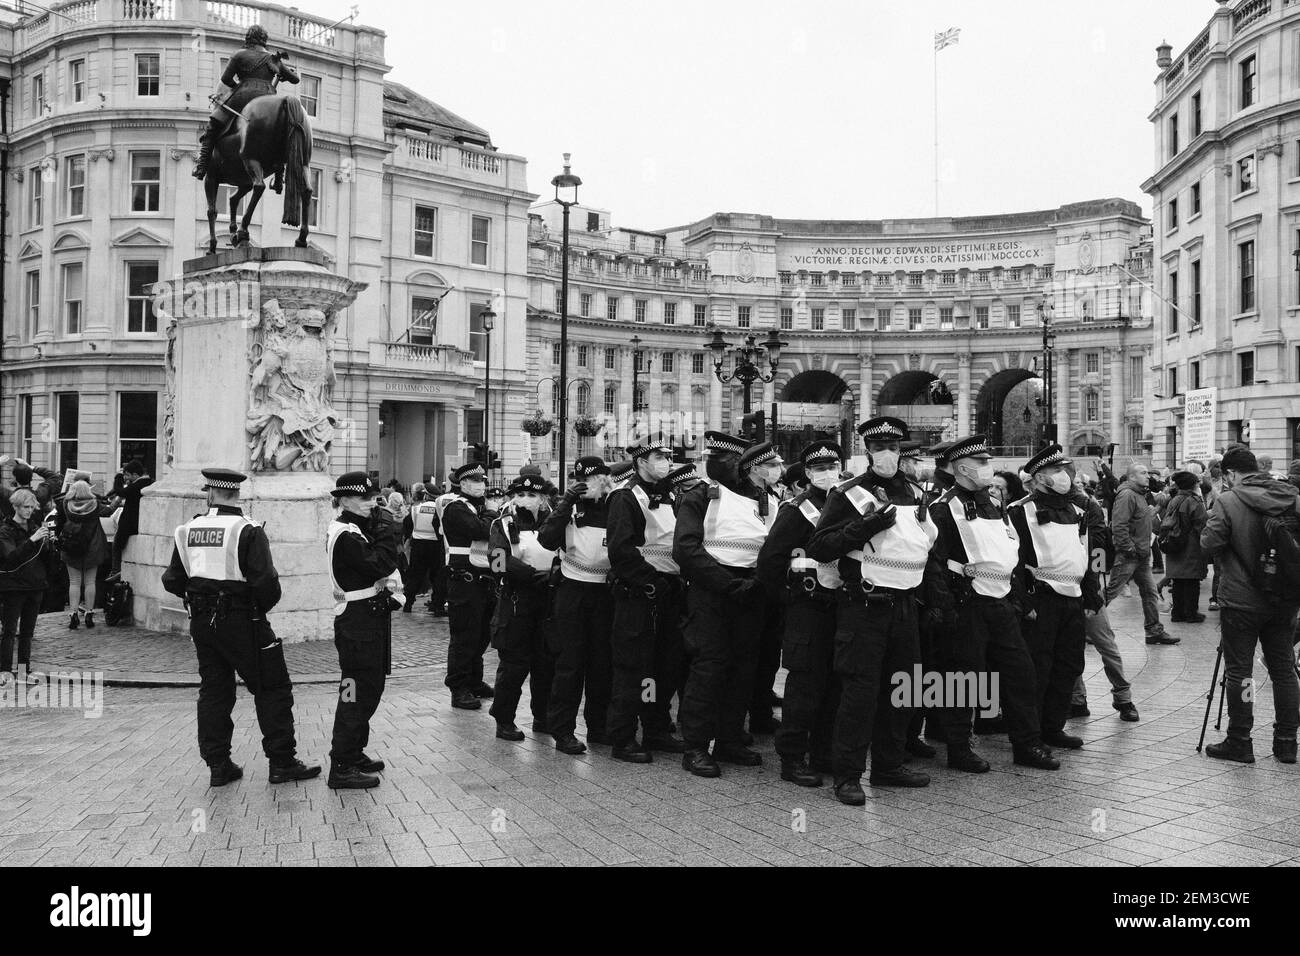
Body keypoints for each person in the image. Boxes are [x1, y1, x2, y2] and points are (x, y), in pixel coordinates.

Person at [160, 468, 319, 788]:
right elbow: (267, 584)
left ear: (210, 493)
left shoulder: (188, 529)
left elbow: (172, 580)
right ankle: (281, 762)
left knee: (215, 692)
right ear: (237, 494)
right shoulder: (247, 530)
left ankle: (218, 765)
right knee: (272, 687)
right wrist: (254, 610)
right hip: (243, 621)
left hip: (202, 622)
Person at [807, 419, 935, 804]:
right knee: (859, 694)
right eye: (880, 446)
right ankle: (847, 775)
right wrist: (865, 527)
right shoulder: (848, 493)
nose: (889, 454)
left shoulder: (914, 492)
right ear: (867, 450)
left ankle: (888, 766)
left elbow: (924, 545)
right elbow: (821, 546)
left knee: (902, 690)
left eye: (895, 446)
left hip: (905, 605)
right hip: (864, 606)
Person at [928, 435, 1059, 772]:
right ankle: (959, 747)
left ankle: (1027, 744)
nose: (988, 467)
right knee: (962, 680)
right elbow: (935, 563)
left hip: (1000, 604)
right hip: (967, 604)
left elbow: (1007, 553)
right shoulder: (943, 508)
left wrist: (1017, 598)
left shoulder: (994, 504)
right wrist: (946, 608)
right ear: (961, 468)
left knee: (1020, 674)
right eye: (982, 462)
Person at [674, 433, 779, 778]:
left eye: (729, 460)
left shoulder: (764, 499)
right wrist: (728, 585)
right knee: (710, 667)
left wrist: (758, 585)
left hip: (750, 590)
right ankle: (696, 746)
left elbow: (772, 548)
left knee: (743, 667)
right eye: (713, 458)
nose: (717, 465)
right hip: (713, 590)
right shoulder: (700, 495)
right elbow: (686, 550)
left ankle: (731, 737)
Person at [1200, 445, 1300, 764]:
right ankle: (1287, 741)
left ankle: (1240, 738)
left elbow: (1209, 543)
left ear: (1230, 474)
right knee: (1284, 670)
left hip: (1242, 600)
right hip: (1285, 598)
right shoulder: (1291, 496)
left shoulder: (1229, 501)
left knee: (1241, 672)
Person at [758, 441, 845, 788]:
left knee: (835, 685)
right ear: (807, 474)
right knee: (805, 687)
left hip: (839, 606)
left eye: (832, 466)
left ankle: (823, 752)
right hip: (806, 607)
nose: (827, 473)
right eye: (819, 468)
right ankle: (792, 758)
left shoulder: (846, 503)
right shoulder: (796, 510)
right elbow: (770, 563)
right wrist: (789, 599)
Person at [1007, 445, 1104, 754]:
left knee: (1068, 665)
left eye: (1065, 470)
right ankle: (1030, 734)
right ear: (1038, 478)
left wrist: (1091, 593)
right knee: (1038, 668)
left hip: (1072, 599)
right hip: (1041, 599)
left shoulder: (1079, 510)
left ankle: (1053, 727)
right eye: (1054, 471)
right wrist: (1025, 603)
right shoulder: (1019, 510)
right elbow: (1013, 562)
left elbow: (1084, 553)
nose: (1063, 476)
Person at [605, 436, 689, 763]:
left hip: (669, 590)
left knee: (662, 666)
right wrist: (651, 581)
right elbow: (620, 550)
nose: (666, 461)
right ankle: (623, 737)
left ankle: (654, 727)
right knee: (633, 667)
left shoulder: (670, 494)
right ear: (641, 461)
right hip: (641, 592)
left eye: (668, 455)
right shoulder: (626, 496)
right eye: (659, 455)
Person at [324, 471, 403, 788]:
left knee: (367, 689)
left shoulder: (353, 528)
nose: (372, 503)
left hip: (367, 618)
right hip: (357, 622)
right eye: (364, 498)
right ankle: (341, 764)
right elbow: (380, 564)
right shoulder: (346, 535)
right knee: (354, 693)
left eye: (373, 497)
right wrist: (386, 530)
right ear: (344, 500)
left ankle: (353, 751)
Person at [538, 457, 616, 755]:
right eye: (583, 480)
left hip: (605, 591)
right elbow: (547, 539)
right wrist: (567, 501)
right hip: (573, 588)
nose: (590, 485)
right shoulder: (569, 506)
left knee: (601, 663)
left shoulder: (616, 503)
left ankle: (599, 726)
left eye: (595, 478)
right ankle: (563, 730)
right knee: (570, 664)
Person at [487, 472, 558, 740]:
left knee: (546, 663)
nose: (523, 500)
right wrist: (529, 575)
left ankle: (543, 716)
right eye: (518, 494)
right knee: (514, 666)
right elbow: (496, 561)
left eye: (531, 495)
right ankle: (504, 719)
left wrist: (554, 574)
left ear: (542, 499)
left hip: (549, 599)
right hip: (517, 600)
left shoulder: (556, 522)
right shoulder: (502, 524)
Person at [1068, 470, 1140, 722]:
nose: (1077, 486)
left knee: (1105, 643)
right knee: (1069, 646)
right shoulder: (1036, 506)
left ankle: (1123, 697)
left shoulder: (1088, 507)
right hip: (1061, 590)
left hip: (1087, 587)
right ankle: (1077, 699)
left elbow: (1099, 549)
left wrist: (1095, 585)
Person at [193, 25, 300, 180]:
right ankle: (279, 175)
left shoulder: (240, 55)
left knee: (212, 126)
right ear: (264, 40)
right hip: (269, 98)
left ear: (248, 38)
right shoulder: (273, 59)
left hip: (243, 95)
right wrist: (287, 73)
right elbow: (295, 79)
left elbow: (226, 79)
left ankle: (202, 167)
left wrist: (238, 87)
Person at [441, 462, 497, 710]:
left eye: (483, 481)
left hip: (484, 578)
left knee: (482, 633)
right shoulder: (456, 507)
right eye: (476, 481)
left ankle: (475, 680)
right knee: (464, 635)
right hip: (464, 579)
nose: (482, 485)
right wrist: (492, 514)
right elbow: (482, 530)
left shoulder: (478, 506)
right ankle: (458, 686)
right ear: (463, 483)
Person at [745, 442, 789, 737]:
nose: (778, 470)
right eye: (772, 465)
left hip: (772, 587)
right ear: (756, 468)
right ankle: (745, 717)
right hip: (752, 583)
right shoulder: (744, 497)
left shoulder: (771, 496)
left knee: (769, 656)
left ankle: (761, 713)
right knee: (750, 656)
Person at [1107, 462, 1177, 645]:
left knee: (1149, 592)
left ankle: (1154, 630)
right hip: (1130, 555)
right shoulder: (1127, 495)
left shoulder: (1139, 495)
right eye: (1143, 472)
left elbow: (1141, 519)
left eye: (1147, 472)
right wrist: (1129, 549)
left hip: (1141, 555)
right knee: (1110, 591)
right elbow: (1119, 525)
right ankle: (1086, 626)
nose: (1148, 476)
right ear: (1131, 477)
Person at [0, 489, 55, 686]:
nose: (29, 511)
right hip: (13, 587)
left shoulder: (34, 527)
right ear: (16, 506)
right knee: (9, 630)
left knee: (27, 632)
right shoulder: (6, 530)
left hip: (35, 585)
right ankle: (5, 670)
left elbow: (44, 559)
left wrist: (48, 544)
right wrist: (32, 541)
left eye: (32, 507)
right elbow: (11, 558)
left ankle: (24, 670)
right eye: (26, 507)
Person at [57, 480, 115, 630]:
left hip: (71, 546)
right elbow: (109, 511)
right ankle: (89, 613)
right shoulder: (94, 505)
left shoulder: (66, 504)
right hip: (92, 547)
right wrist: (118, 498)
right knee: (90, 582)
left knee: (74, 582)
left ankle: (73, 614)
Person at [1162, 470, 1209, 623]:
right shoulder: (1194, 501)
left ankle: (1177, 613)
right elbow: (1202, 524)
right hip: (1191, 546)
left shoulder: (1174, 499)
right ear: (1193, 485)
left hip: (1173, 543)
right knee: (1192, 581)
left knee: (1178, 581)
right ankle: (1191, 613)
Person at [109, 460, 155, 575]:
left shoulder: (138, 485)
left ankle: (115, 570)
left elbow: (121, 491)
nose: (126, 478)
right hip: (139, 520)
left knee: (117, 545)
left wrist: (118, 478)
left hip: (129, 521)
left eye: (127, 475)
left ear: (135, 475)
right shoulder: (149, 482)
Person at [403, 484, 441, 613]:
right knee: (437, 576)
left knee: (415, 575)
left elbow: (407, 524)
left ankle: (408, 603)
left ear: (426, 495)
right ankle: (437, 604)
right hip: (436, 546)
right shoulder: (440, 509)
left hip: (419, 546)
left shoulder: (415, 509)